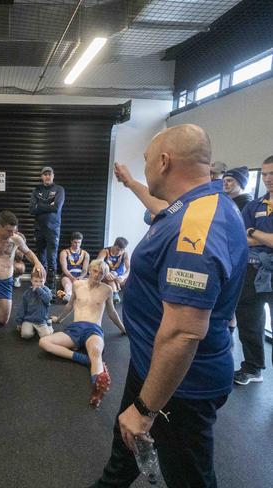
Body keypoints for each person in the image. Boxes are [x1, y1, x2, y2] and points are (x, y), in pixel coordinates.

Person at [92, 124, 247, 487]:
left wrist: (146, 409)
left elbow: (184, 332)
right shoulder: (195, 204)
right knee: (123, 456)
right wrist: (131, 183)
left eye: (145, 162)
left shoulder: (196, 228)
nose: (145, 167)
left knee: (190, 478)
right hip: (152, 363)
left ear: (164, 162)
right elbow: (161, 207)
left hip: (180, 385)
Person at [40, 259, 125, 408]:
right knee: (44, 342)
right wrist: (59, 319)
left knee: (96, 352)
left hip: (94, 330)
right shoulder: (77, 285)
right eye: (95, 271)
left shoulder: (107, 290)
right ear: (90, 270)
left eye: (102, 273)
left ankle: (97, 389)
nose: (98, 275)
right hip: (75, 328)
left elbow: (112, 312)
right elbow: (69, 305)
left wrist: (123, 329)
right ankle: (82, 359)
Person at [234, 155, 273, 385]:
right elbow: (240, 237)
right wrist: (260, 238)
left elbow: (250, 235)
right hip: (251, 271)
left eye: (272, 174)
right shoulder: (254, 205)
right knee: (249, 322)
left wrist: (254, 233)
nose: (268, 179)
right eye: (265, 174)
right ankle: (252, 368)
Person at [29, 166, 65, 291]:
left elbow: (56, 207)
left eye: (49, 174)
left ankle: (51, 287)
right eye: (45, 174)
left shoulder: (59, 189)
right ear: (41, 177)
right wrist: (48, 205)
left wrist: (40, 205)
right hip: (39, 229)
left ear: (53, 175)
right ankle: (39, 284)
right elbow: (31, 209)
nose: (47, 176)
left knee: (52, 258)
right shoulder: (36, 190)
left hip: (53, 229)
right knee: (40, 258)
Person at [15, 269, 53, 340]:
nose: (38, 284)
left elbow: (47, 299)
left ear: (45, 280)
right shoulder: (27, 293)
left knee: (47, 337)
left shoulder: (47, 291)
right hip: (29, 320)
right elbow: (22, 308)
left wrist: (39, 290)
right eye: (35, 281)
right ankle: (33, 330)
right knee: (25, 335)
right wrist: (19, 322)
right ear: (31, 281)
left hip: (41, 320)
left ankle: (49, 324)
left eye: (41, 281)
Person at [57, 232, 90, 302]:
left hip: (80, 275)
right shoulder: (64, 252)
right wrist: (72, 278)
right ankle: (67, 295)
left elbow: (85, 270)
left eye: (79, 242)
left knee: (87, 287)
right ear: (71, 241)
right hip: (68, 275)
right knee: (67, 285)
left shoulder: (85, 254)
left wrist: (80, 278)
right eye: (75, 242)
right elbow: (64, 269)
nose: (77, 245)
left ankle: (64, 294)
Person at [97, 238, 130, 304]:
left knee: (132, 276)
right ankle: (115, 293)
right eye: (117, 249)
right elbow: (98, 263)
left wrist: (123, 277)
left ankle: (117, 292)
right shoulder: (105, 251)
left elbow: (129, 268)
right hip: (107, 275)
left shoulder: (125, 254)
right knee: (112, 274)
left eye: (121, 250)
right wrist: (106, 272)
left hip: (119, 277)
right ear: (114, 245)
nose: (119, 252)